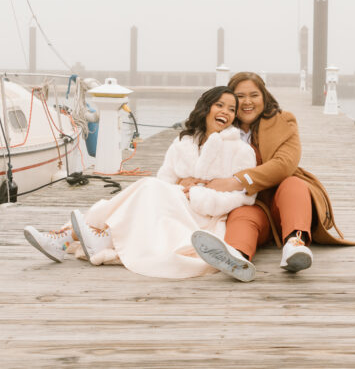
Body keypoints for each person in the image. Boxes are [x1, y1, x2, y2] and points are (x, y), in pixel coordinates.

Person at [23, 86, 256, 279]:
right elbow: (166, 179)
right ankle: (78, 238)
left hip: (204, 214)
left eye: (232, 109)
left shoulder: (240, 150)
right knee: (149, 187)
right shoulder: (183, 142)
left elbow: (245, 196)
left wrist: (202, 193)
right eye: (220, 105)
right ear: (207, 108)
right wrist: (181, 187)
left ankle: (72, 236)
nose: (226, 111)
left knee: (147, 187)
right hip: (174, 200)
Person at [190, 72, 355, 282]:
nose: (247, 102)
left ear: (264, 96)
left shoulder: (284, 121)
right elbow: (197, 155)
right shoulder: (221, 126)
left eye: (254, 95)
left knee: (294, 184)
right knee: (242, 216)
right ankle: (237, 258)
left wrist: (237, 180)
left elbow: (284, 164)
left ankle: (295, 245)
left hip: (285, 199)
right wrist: (187, 179)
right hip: (253, 204)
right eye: (240, 96)